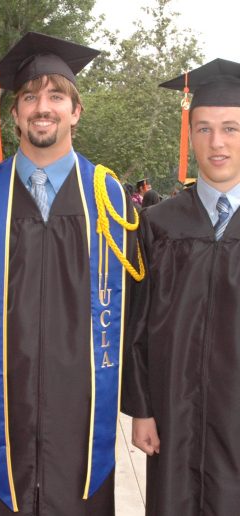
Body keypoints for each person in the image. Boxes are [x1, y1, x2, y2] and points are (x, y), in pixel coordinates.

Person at [0, 32, 143, 516]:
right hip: (3, 419)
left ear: (76, 111)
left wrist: (142, 405)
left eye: (57, 96)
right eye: (30, 97)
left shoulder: (110, 202)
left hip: (80, 424)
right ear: (15, 114)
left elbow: (139, 315)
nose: (43, 107)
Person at [122, 58, 240, 516]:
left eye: (231, 128)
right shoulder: (157, 223)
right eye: (204, 128)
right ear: (189, 136)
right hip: (174, 414)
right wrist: (141, 409)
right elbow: (137, 324)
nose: (217, 142)